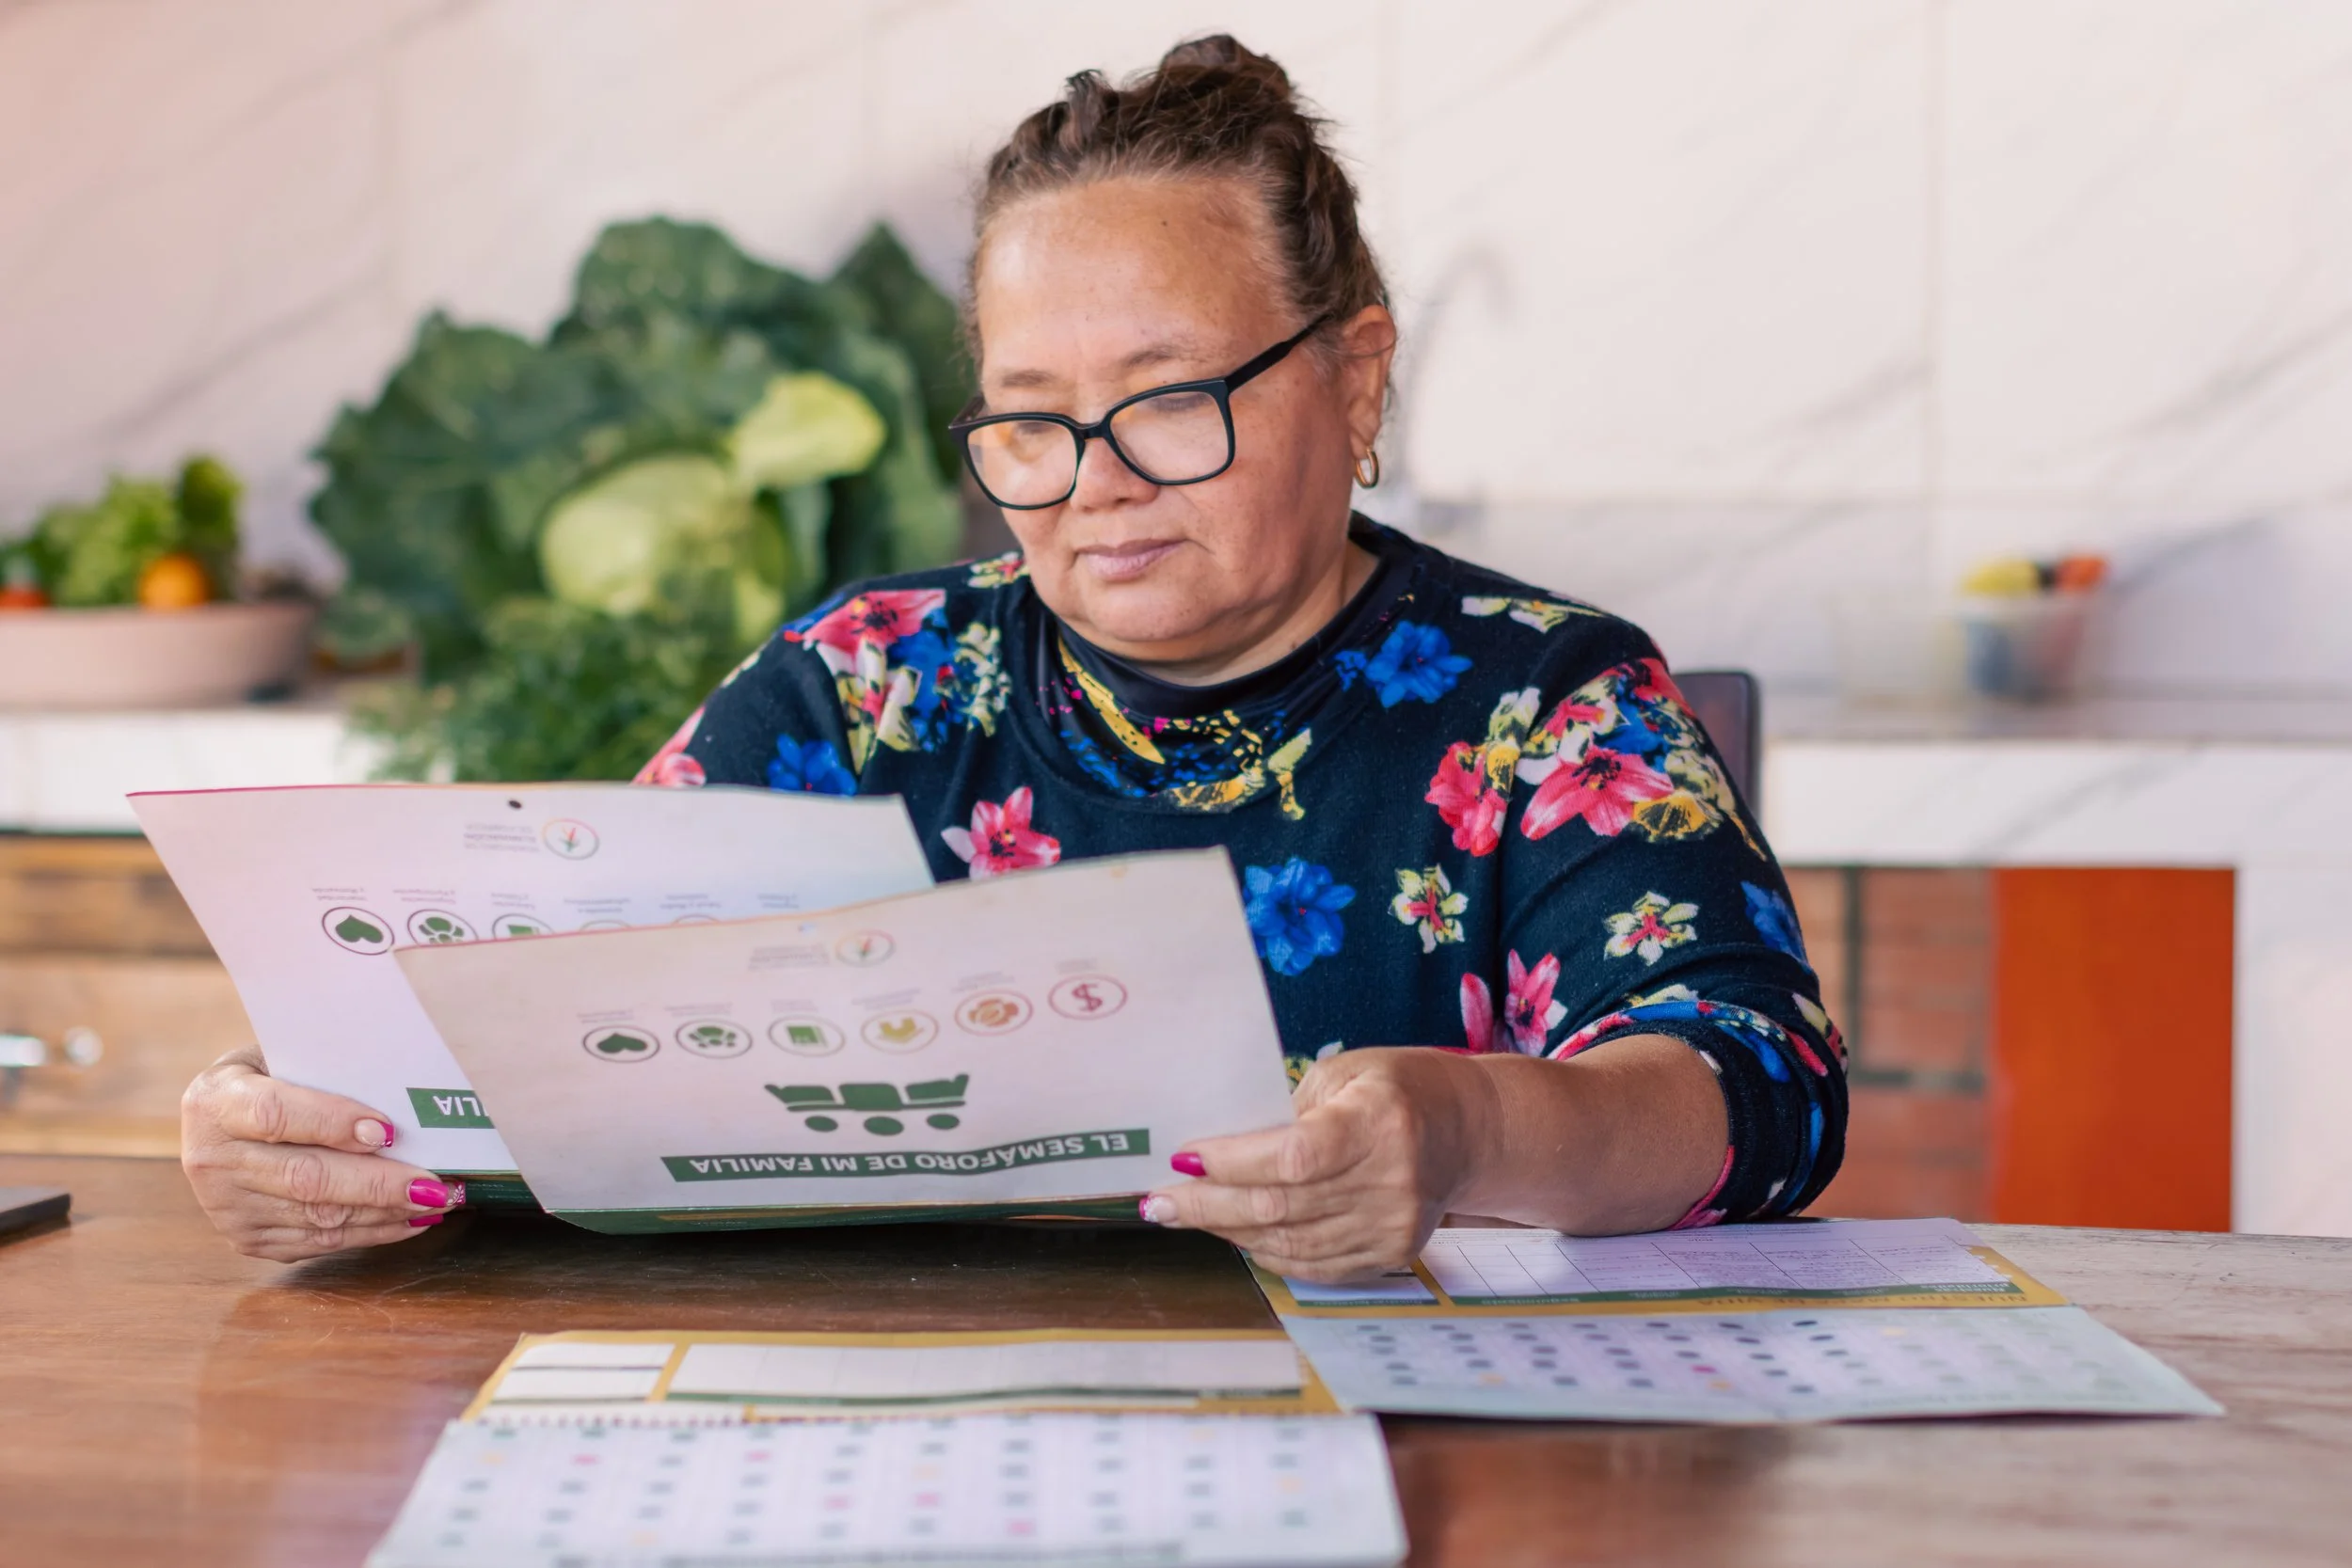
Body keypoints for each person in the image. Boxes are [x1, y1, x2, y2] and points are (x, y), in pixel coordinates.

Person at [180, 35, 1845, 1280]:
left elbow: (1759, 1086)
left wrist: (1472, 1129)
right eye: (1032, 420)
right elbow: (571, 1001)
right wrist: (308, 1111)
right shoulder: (874, 685)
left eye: (1169, 397)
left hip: (1415, 1435)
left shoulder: (1546, 706)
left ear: (1354, 376)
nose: (1095, 475)